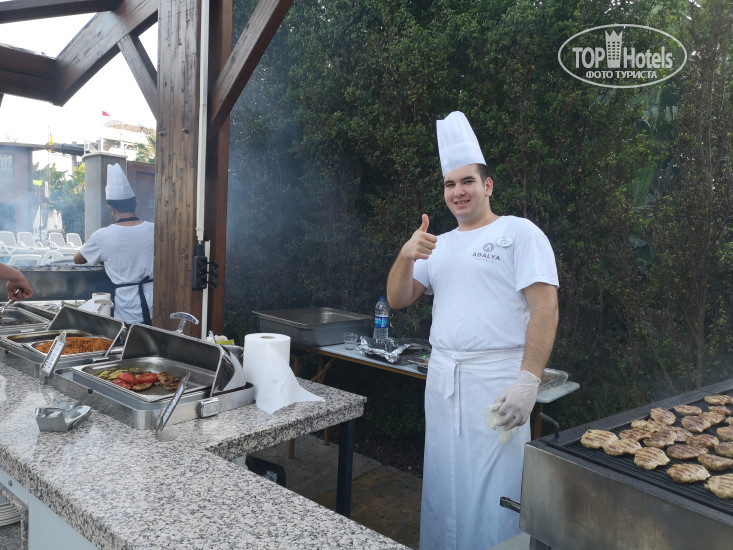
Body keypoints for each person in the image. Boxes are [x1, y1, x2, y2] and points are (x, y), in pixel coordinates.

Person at [386, 111, 559, 549]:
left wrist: (528, 381)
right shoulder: (437, 245)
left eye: (467, 181)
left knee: (495, 490)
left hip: (497, 384)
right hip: (444, 382)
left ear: (488, 185)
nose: (458, 192)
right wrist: (406, 255)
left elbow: (545, 309)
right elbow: (398, 298)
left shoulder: (519, 233)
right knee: (444, 481)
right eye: (450, 184)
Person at [74, 163, 154, 324]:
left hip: (127, 310)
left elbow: (78, 259)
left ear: (111, 208)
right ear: (135, 204)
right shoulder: (155, 229)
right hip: (156, 306)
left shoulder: (101, 236)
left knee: (129, 339)